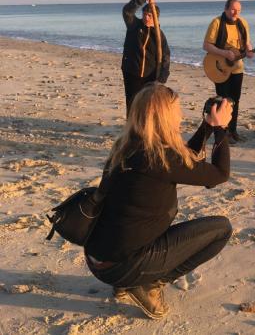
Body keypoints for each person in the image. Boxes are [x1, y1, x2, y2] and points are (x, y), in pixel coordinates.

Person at [84, 83, 233, 319]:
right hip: (124, 264)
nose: (181, 117)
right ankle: (148, 284)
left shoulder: (126, 147)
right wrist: (221, 129)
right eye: (177, 112)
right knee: (222, 229)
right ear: (165, 118)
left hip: (99, 258)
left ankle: (127, 283)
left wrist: (207, 126)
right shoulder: (160, 158)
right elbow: (219, 174)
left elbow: (185, 159)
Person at [203, 0, 253, 143]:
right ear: (225, 9)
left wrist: (250, 50)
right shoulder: (217, 23)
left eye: (239, 10)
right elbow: (206, 45)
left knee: (235, 101)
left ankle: (233, 131)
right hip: (219, 67)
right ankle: (222, 134)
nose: (236, 13)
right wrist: (224, 53)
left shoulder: (243, 23)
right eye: (233, 9)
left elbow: (247, 43)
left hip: (237, 68)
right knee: (223, 100)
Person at [121, 0, 171, 117]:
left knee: (147, 106)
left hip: (150, 76)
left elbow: (165, 57)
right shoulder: (134, 25)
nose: (146, 17)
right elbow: (127, 11)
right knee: (132, 104)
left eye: (149, 15)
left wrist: (162, 77)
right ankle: (131, 127)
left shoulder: (159, 35)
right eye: (144, 14)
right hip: (131, 72)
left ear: (156, 17)